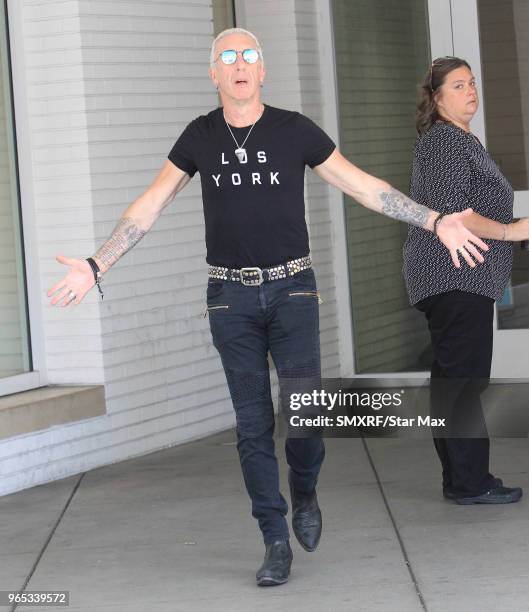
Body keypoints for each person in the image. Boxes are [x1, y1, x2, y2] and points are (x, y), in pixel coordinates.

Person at [48, 31, 489, 586]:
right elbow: (149, 205)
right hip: (229, 299)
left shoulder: (293, 130)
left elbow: (360, 185)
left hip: (292, 291)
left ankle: (304, 492)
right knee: (253, 424)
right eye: (227, 57)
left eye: (249, 56)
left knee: (303, 417)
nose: (239, 64)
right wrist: (96, 264)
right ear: (214, 73)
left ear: (263, 71)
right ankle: (274, 536)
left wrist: (432, 218)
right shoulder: (199, 137)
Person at [403, 56, 529, 505]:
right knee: (463, 382)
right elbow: (456, 216)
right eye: (458, 85)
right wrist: (513, 230)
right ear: (436, 98)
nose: (470, 91)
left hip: (464, 278)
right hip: (452, 276)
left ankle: (461, 478)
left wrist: (514, 226)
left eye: (472, 83)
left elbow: (479, 208)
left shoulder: (463, 140)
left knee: (454, 381)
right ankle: (469, 482)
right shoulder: (443, 142)